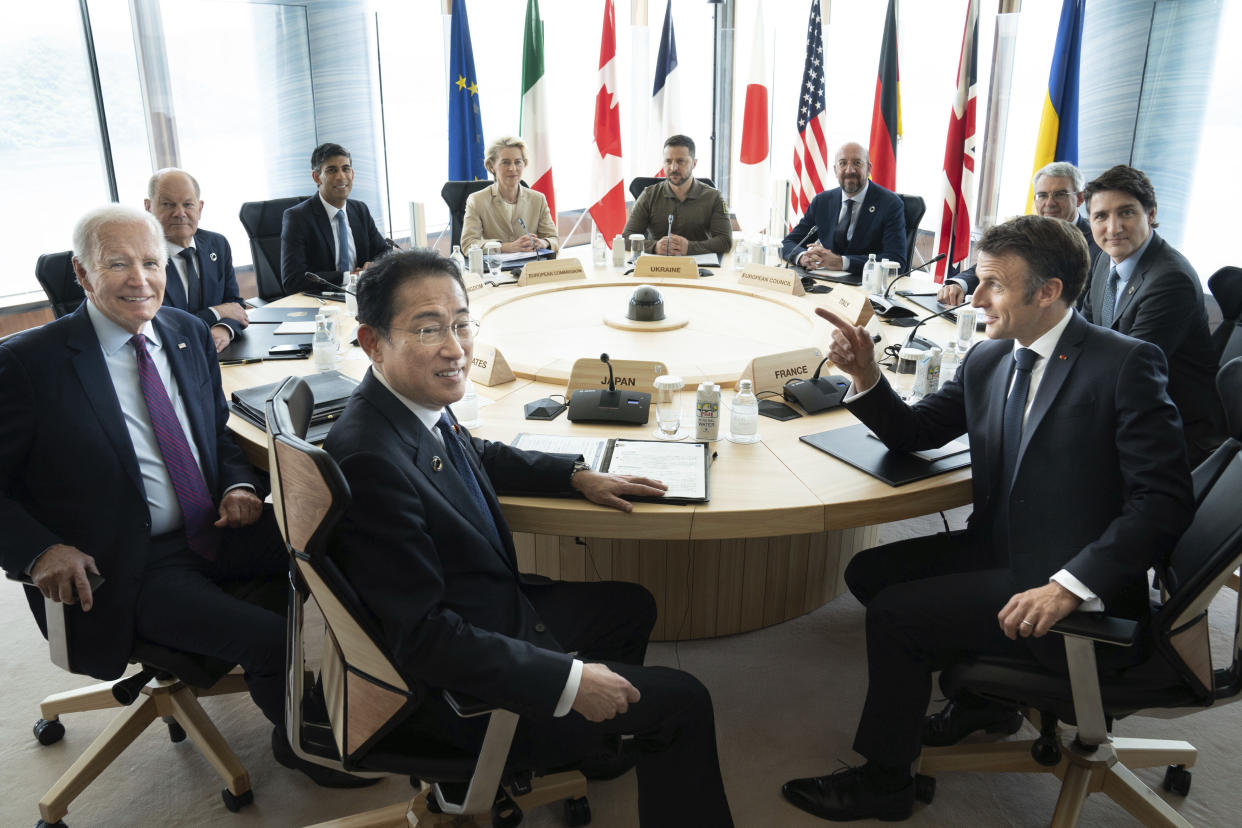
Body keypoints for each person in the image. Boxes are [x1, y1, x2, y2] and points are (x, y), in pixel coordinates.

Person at [782, 215, 1193, 822]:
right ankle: (985, 699)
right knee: (871, 573)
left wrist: (1069, 585)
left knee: (899, 619)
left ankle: (886, 783)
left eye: (994, 285)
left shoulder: (1125, 364)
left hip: (1071, 579)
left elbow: (1162, 502)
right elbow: (916, 433)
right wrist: (866, 376)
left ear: (1048, 291)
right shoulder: (991, 358)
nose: (974, 298)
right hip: (1001, 547)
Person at [323, 249, 734, 826]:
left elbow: (478, 454)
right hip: (452, 694)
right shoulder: (370, 457)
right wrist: (568, 682)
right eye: (427, 329)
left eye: (462, 324)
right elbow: (424, 640)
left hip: (487, 610)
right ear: (371, 342)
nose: (454, 347)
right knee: (685, 701)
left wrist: (573, 473)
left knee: (630, 607)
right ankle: (559, 732)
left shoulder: (401, 406)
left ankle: (590, 747)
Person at [0, 206, 371, 789]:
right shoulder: (26, 364)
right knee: (270, 638)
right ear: (81, 272)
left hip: (214, 528)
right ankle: (306, 747)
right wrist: (39, 551)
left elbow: (214, 429)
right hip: (125, 564)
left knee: (346, 545)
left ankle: (390, 696)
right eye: (117, 264)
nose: (140, 279)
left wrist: (239, 483)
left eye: (151, 262)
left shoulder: (187, 331)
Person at [1080, 164, 1223, 467]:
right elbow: (1083, 332)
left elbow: (1126, 371)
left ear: (1151, 214)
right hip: (1123, 406)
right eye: (1101, 216)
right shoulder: (1105, 260)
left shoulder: (1171, 279)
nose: (1113, 227)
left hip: (1172, 428)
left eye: (1126, 213)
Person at [937, 161, 1101, 305]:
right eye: (1042, 195)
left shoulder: (1098, 243)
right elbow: (993, 265)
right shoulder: (1028, 230)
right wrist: (959, 284)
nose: (1049, 203)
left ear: (1079, 198)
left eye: (1059, 194)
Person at [144, 168, 249, 353]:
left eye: (188, 204)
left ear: (200, 208)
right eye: (168, 204)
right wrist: (217, 313)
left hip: (220, 354)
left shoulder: (217, 244)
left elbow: (234, 304)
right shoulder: (141, 257)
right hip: (168, 357)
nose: (179, 213)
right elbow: (160, 325)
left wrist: (224, 328)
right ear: (148, 207)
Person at [780, 142, 906, 277]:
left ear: (869, 168)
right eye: (843, 163)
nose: (849, 170)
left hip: (866, 286)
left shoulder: (890, 204)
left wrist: (842, 262)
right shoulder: (822, 201)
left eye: (857, 163)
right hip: (824, 282)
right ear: (835, 170)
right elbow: (788, 243)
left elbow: (896, 261)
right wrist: (803, 256)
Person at [280, 142, 390, 295]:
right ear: (317, 177)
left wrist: (372, 267)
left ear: (352, 174)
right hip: (322, 302)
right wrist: (349, 277)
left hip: (363, 297)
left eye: (346, 169)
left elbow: (385, 254)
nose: (341, 176)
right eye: (331, 170)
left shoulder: (360, 210)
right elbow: (293, 280)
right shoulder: (297, 218)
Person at [621, 134, 732, 256]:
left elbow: (725, 241)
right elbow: (626, 238)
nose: (673, 168)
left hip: (699, 267)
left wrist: (689, 247)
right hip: (656, 267)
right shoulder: (648, 195)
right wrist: (654, 247)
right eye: (668, 161)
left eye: (680, 161)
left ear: (694, 163)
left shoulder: (713, 197)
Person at [460, 136, 559, 254]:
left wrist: (543, 243)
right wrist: (505, 247)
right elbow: (468, 244)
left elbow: (554, 239)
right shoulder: (477, 200)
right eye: (505, 163)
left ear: (524, 164)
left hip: (530, 268)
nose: (513, 168)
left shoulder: (538, 199)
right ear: (492, 166)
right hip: (495, 269)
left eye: (518, 162)